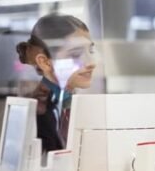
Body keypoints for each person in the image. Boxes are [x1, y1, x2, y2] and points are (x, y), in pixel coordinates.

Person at [15, 13, 97, 153]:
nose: (91, 63)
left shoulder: (69, 104)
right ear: (45, 62)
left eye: (90, 51)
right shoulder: (38, 115)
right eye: (76, 54)